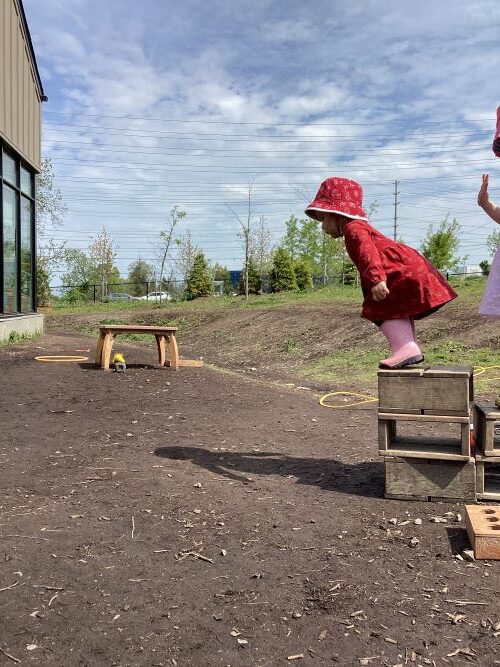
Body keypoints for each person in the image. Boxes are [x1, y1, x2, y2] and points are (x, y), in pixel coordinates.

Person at [305, 177, 458, 369]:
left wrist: (376, 279)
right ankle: (406, 347)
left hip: (396, 271)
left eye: (323, 219)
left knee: (379, 308)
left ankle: (406, 348)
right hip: (406, 267)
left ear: (338, 215)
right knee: (396, 309)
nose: (322, 226)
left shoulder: (353, 229)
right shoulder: (359, 227)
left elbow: (367, 252)